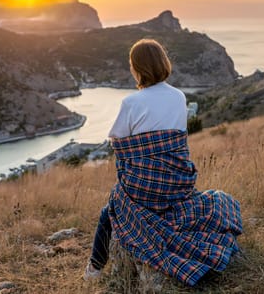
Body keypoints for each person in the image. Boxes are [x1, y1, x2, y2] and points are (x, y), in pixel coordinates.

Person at [84, 39, 243, 286]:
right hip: (178, 185)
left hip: (142, 191)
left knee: (110, 210)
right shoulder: (179, 96)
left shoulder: (131, 103)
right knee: (214, 199)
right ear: (162, 63)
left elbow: (118, 143)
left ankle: (94, 268)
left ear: (136, 68)